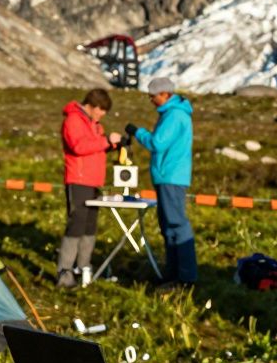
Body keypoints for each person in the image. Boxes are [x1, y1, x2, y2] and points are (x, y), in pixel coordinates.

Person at [124, 76, 197, 288]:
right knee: (169, 226)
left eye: (152, 96)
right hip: (169, 176)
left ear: (165, 94)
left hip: (171, 176)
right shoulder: (174, 113)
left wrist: (137, 132)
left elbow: (157, 143)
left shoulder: (175, 115)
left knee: (176, 225)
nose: (151, 100)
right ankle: (174, 274)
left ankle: (185, 277)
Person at [58, 88, 120, 289]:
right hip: (78, 180)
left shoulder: (95, 125)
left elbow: (94, 146)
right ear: (92, 106)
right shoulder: (73, 121)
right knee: (76, 225)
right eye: (101, 110)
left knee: (89, 226)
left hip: (94, 181)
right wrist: (105, 141)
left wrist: (112, 146)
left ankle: (83, 267)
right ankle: (65, 271)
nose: (102, 115)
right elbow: (79, 146)